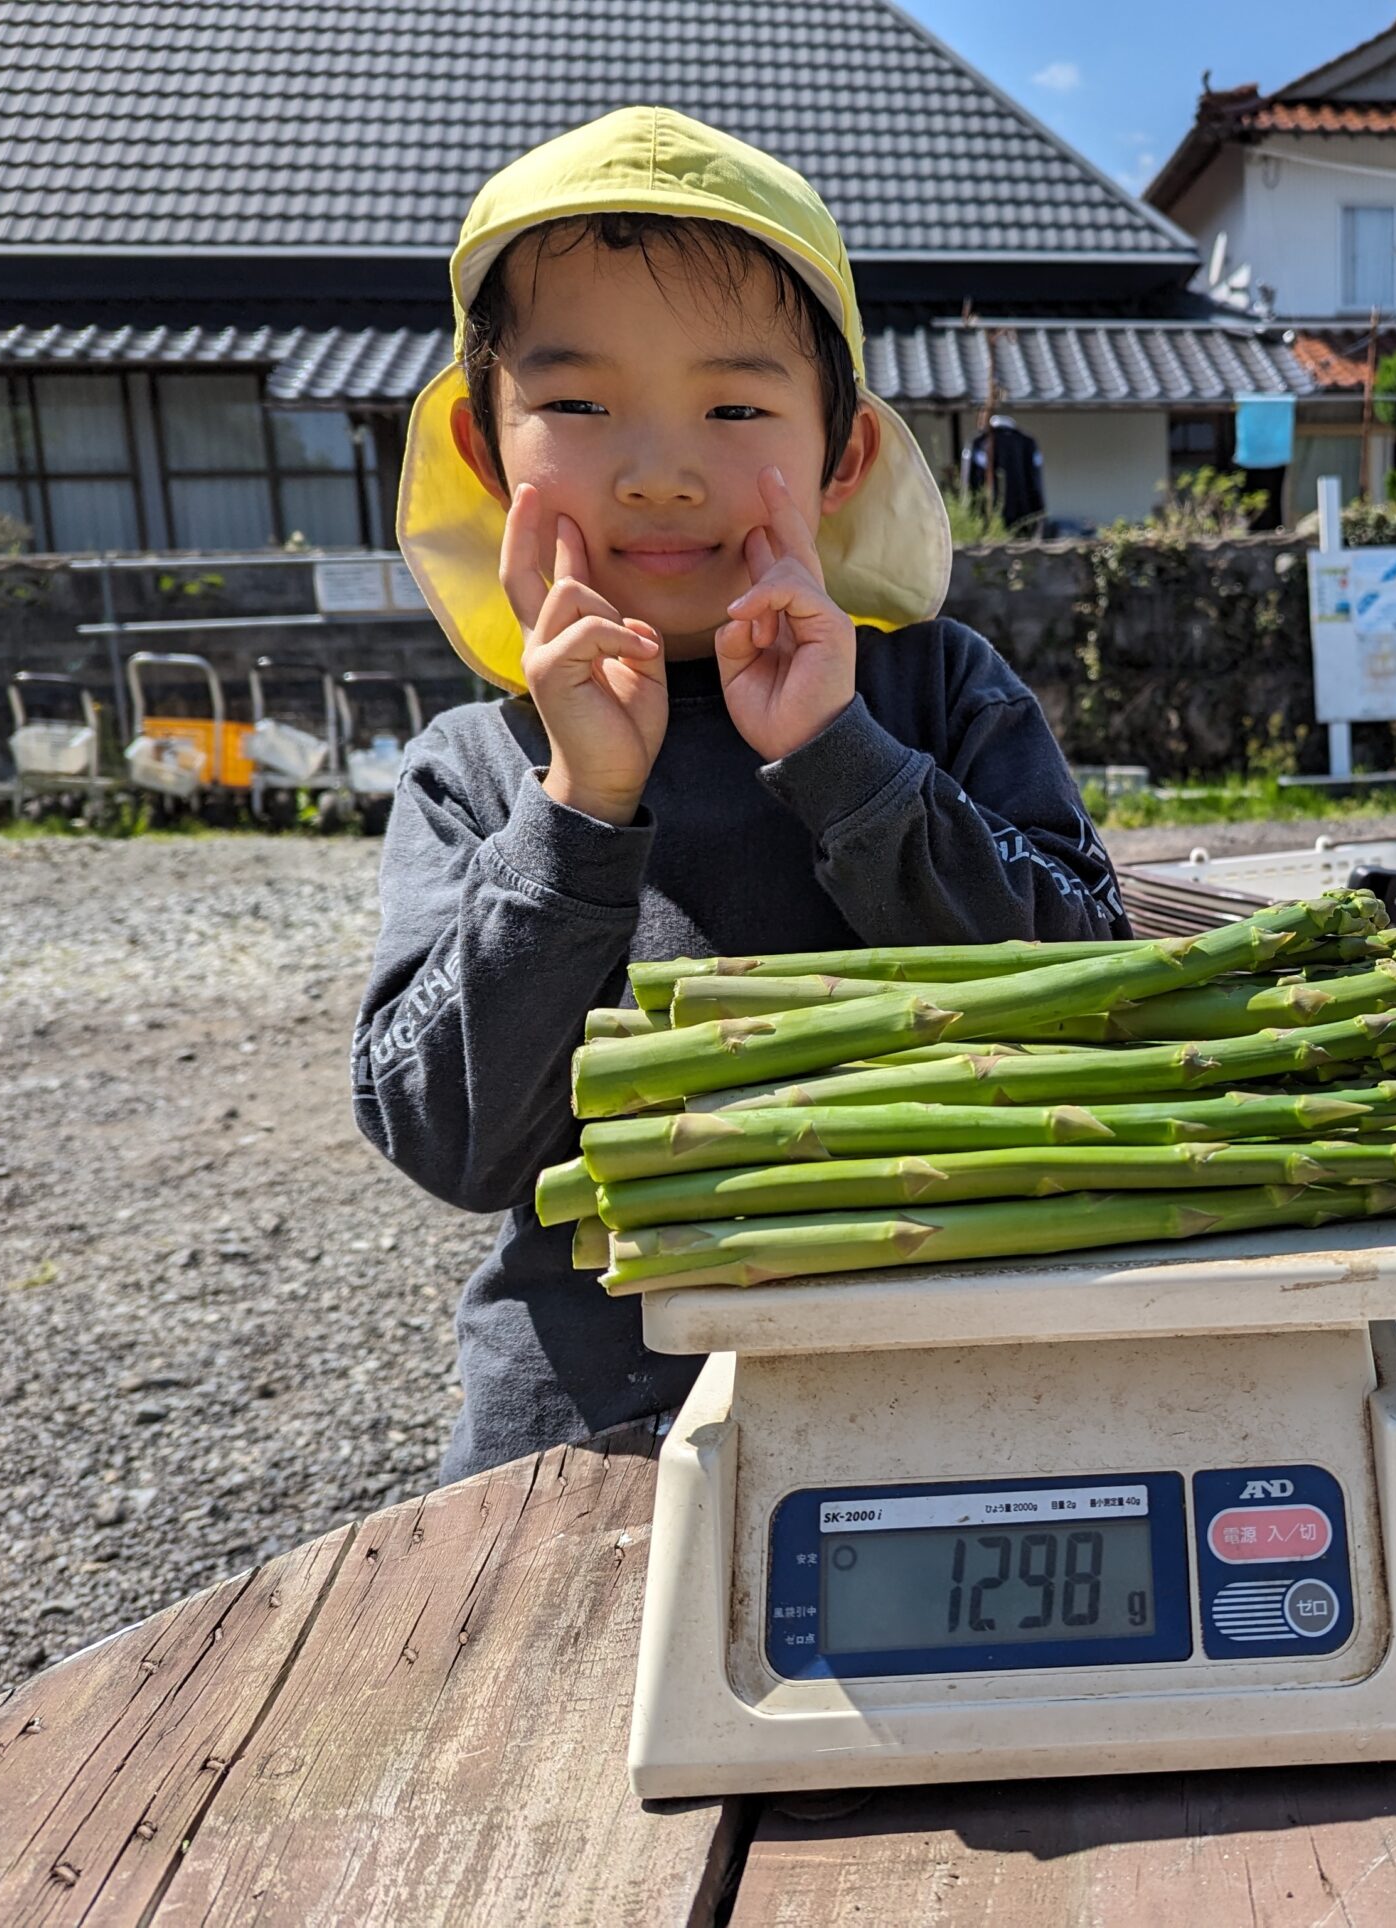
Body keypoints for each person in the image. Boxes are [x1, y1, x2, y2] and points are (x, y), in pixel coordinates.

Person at [354, 109, 1128, 1480]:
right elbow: (449, 1137)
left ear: (840, 457)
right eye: (581, 405)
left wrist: (845, 757)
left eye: (734, 405)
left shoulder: (936, 696)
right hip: (596, 1426)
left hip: (951, 1373)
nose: (660, 469)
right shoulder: (480, 765)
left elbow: (1100, 1002)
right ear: (487, 447)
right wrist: (582, 806)